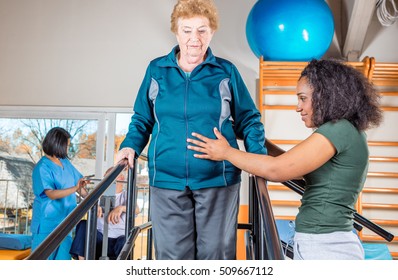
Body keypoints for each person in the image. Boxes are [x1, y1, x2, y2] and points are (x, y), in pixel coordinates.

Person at [187, 59, 383, 260]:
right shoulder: (345, 130)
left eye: (303, 98)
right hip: (322, 242)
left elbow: (277, 170)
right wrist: (257, 139)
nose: (298, 107)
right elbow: (295, 165)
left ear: (326, 96)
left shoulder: (340, 130)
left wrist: (226, 152)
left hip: (327, 246)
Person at [115, 0, 266, 260]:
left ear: (212, 32)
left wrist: (257, 160)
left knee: (215, 255)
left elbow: (250, 120)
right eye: (187, 30)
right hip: (166, 180)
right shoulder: (157, 70)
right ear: (176, 31)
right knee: (172, 259)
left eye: (202, 30)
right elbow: (142, 118)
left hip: (218, 179)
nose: (194, 38)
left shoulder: (225, 72)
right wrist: (130, 145)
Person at [31, 127, 89, 260]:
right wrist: (75, 188)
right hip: (46, 225)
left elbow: (79, 186)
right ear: (57, 145)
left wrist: (93, 200)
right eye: (66, 146)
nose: (68, 149)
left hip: (66, 223)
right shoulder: (42, 167)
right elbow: (51, 193)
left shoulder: (65, 163)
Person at [69, 168, 138, 260]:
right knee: (83, 224)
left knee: (125, 241)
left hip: (118, 240)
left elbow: (136, 209)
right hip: (99, 238)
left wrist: (121, 208)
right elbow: (86, 196)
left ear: (121, 178)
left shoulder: (126, 195)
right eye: (105, 177)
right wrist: (93, 203)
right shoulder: (100, 194)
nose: (106, 180)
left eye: (109, 177)